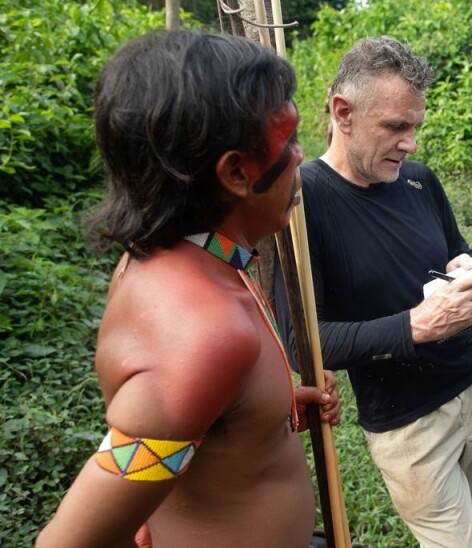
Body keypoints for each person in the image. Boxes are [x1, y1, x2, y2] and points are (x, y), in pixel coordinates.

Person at [36, 30, 341, 548]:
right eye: (288, 141)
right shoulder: (206, 335)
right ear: (237, 173)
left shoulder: (199, 254)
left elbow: (181, 419)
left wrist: (264, 407)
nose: (300, 155)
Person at [274, 36, 472, 547]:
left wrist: (466, 265)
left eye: (415, 127)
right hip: (410, 420)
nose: (411, 144)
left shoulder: (419, 182)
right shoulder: (300, 202)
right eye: (396, 127)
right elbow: (302, 343)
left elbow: (457, 250)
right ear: (343, 112)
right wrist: (415, 326)